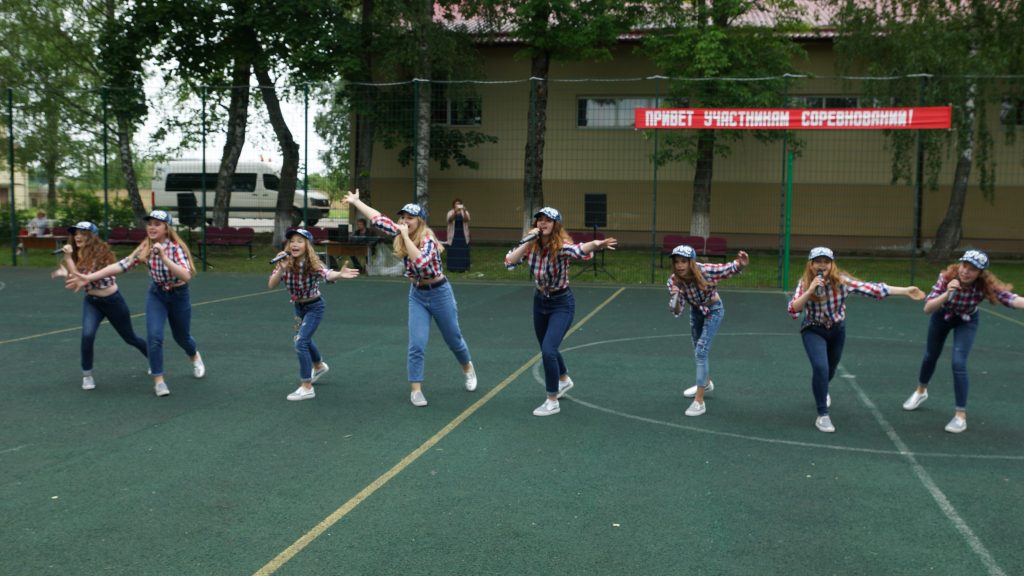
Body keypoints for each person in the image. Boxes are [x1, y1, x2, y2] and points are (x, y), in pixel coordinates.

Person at [343, 190, 477, 407]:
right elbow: (378, 218)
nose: (405, 221)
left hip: (440, 292)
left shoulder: (428, 239)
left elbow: (421, 262)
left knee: (453, 338)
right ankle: (416, 390)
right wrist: (357, 202)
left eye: (410, 218)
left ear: (420, 221)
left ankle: (468, 368)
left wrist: (405, 237)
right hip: (418, 295)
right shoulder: (400, 231)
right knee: (417, 344)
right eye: (403, 217)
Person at [67, 210, 205, 397]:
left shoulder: (175, 247)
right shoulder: (145, 247)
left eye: (157, 224)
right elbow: (121, 265)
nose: (152, 227)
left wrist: (164, 258)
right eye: (149, 224)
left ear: (166, 228)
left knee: (182, 337)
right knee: (154, 337)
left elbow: (186, 276)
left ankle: (194, 356)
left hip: (179, 295)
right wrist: (88, 278)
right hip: (157, 294)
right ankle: (159, 381)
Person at [788, 247, 924, 433]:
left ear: (832, 265)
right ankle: (822, 415)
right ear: (811, 265)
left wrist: (905, 291)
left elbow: (873, 289)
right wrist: (810, 290)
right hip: (813, 329)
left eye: (826, 262)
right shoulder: (805, 283)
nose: (822, 265)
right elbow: (793, 309)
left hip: (836, 329)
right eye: (818, 261)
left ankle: (822, 389)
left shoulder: (841, 282)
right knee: (821, 367)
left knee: (830, 369)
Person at [504, 207, 618, 416]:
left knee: (548, 350)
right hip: (540, 301)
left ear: (556, 225)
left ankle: (552, 400)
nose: (543, 223)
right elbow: (510, 261)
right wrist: (527, 242)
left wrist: (596, 244)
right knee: (547, 347)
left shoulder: (561, 246)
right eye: (540, 220)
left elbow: (579, 250)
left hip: (561, 303)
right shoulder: (531, 245)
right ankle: (564, 379)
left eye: (548, 220)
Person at [902, 250, 1023, 433]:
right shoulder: (946, 278)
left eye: (972, 269)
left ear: (980, 273)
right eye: (964, 266)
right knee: (931, 355)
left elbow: (1011, 299)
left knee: (958, 362)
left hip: (967, 320)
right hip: (942, 316)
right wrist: (948, 293)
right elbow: (928, 308)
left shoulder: (984, 285)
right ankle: (921, 391)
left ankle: (960, 416)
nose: (966, 271)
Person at [51, 222, 148, 391]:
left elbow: (82, 277)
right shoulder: (78, 253)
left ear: (93, 237)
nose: (78, 237)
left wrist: (68, 260)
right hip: (92, 302)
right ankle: (87, 375)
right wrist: (66, 269)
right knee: (87, 335)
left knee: (130, 337)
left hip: (113, 301)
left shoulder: (101, 253)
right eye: (76, 233)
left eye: (83, 233)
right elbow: (77, 278)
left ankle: (154, 359)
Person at [269, 228, 360, 401]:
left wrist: (339, 274)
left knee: (300, 342)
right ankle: (318, 366)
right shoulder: (285, 261)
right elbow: (271, 284)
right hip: (299, 307)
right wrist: (281, 269)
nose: (295, 244)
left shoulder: (313, 263)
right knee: (302, 338)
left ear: (307, 245)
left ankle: (307, 387)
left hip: (314, 307)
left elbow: (327, 274)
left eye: (300, 241)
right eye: (292, 241)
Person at [666, 244, 750, 417]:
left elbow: (725, 269)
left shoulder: (704, 271)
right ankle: (706, 383)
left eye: (684, 261)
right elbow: (677, 310)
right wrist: (675, 296)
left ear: (691, 262)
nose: (680, 265)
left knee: (701, 351)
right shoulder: (674, 281)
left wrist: (740, 264)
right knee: (697, 349)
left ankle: (699, 401)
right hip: (696, 311)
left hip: (714, 310)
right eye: (677, 262)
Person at [445, 199, 471, 272]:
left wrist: (464, 211)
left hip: (462, 234)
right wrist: (455, 212)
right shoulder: (450, 212)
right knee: (453, 251)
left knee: (463, 251)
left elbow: (467, 220)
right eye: (456, 204)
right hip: (453, 235)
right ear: (453, 205)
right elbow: (449, 220)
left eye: (459, 204)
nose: (457, 205)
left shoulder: (465, 212)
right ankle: (452, 267)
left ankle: (464, 268)